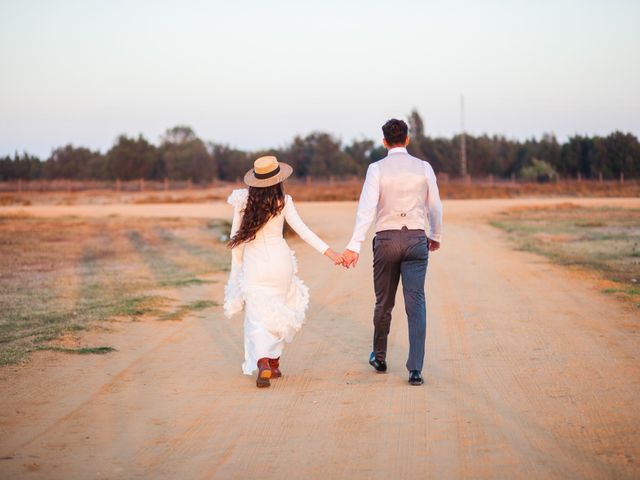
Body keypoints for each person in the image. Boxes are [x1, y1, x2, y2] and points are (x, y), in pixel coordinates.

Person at [224, 155, 343, 388]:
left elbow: (235, 240)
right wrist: (332, 254)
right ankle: (274, 362)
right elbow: (304, 231)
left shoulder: (242, 202)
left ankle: (263, 363)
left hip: (255, 265)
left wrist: (237, 268)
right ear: (278, 179)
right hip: (281, 264)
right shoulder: (284, 201)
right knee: (280, 309)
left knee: (256, 317)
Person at [341, 119, 443, 386]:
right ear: (407, 139)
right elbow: (435, 207)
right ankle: (416, 369)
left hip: (386, 239)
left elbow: (366, 210)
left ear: (384, 141)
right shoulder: (424, 167)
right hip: (416, 238)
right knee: (416, 303)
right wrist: (435, 235)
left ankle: (381, 356)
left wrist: (354, 245)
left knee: (384, 302)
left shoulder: (376, 169)